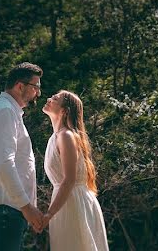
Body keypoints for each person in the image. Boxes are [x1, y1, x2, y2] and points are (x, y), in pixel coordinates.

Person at [0, 62, 45, 251]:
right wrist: (26, 206)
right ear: (20, 86)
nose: (38, 93)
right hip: (6, 209)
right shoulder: (5, 111)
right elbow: (4, 164)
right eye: (35, 86)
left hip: (9, 208)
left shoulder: (8, 111)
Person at [38, 90, 108, 251]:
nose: (49, 98)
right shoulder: (55, 137)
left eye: (55, 98)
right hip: (65, 202)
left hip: (74, 203)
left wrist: (49, 214)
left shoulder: (66, 136)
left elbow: (69, 180)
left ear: (64, 111)